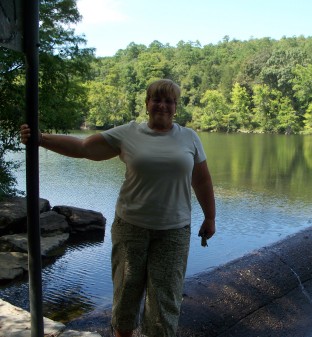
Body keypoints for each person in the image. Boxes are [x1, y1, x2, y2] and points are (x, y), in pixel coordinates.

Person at [20, 79, 216, 337]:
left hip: (174, 231)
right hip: (130, 228)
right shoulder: (129, 133)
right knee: (126, 295)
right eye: (156, 99)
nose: (162, 105)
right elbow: (83, 148)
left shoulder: (189, 138)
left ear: (176, 107)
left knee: (165, 302)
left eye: (169, 101)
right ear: (147, 104)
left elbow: (201, 180)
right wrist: (40, 139)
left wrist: (210, 218)